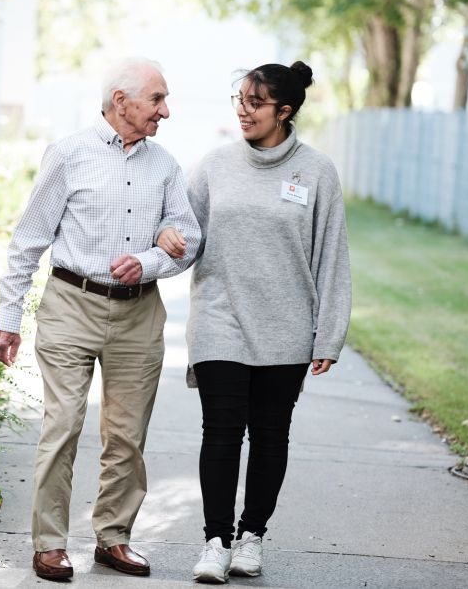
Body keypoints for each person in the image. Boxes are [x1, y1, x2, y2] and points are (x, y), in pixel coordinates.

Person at [0, 57, 201, 581]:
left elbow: (188, 238)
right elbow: (29, 240)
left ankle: (113, 538)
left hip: (139, 312)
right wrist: (8, 317)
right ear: (120, 102)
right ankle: (49, 543)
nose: (166, 111)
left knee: (127, 435)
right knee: (62, 425)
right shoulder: (69, 155)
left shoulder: (166, 166)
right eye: (157, 100)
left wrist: (151, 260)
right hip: (71, 303)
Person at [155, 61, 351, 584]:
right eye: (239, 99)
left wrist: (329, 331)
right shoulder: (215, 166)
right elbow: (183, 233)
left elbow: (331, 257)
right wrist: (163, 241)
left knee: (269, 436)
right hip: (221, 321)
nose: (243, 110)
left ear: (284, 112)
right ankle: (215, 542)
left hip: (286, 327)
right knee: (220, 432)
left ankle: (251, 536)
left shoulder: (316, 172)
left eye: (255, 102)